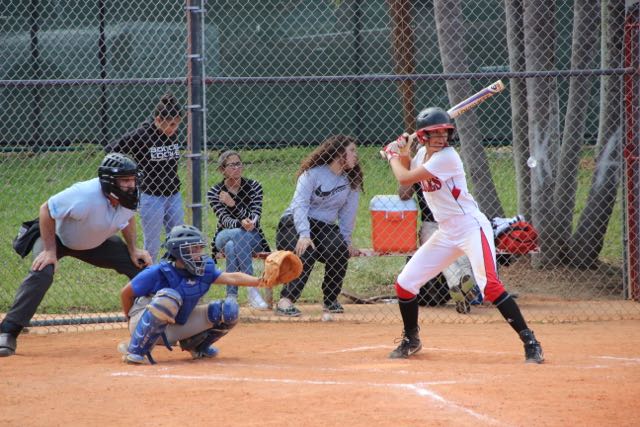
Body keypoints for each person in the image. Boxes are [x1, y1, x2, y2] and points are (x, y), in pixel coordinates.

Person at [381, 107, 544, 363]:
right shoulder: (422, 153)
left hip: (470, 227)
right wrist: (403, 152)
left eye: (444, 132)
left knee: (490, 286)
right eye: (434, 133)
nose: (441, 138)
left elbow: (404, 176)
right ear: (423, 136)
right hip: (446, 231)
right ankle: (412, 339)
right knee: (405, 283)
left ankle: (530, 341)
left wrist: (391, 155)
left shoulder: (448, 158)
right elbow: (406, 185)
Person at [0, 153, 152, 357]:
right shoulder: (84, 195)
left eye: (133, 179)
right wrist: (49, 251)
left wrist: (134, 249)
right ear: (109, 181)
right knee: (42, 270)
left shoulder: (129, 197)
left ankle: (159, 325)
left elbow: (127, 219)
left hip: (95, 242)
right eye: (125, 180)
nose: (131, 185)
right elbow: (46, 210)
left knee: (141, 267)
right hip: (58, 239)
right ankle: (8, 331)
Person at [119, 224, 263, 364]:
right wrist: (132, 321)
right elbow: (126, 293)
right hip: (143, 322)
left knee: (229, 309)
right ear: (179, 251)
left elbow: (232, 277)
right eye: (194, 249)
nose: (199, 254)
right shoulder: (157, 272)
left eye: (200, 248)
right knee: (169, 297)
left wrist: (262, 281)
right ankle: (135, 349)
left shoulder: (202, 270)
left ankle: (197, 346)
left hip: (177, 325)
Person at [275, 135, 363, 317]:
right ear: (339, 153)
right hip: (294, 223)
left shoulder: (351, 180)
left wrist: (346, 242)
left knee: (339, 248)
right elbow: (300, 205)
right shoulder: (312, 174)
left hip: (324, 226)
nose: (356, 155)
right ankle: (286, 300)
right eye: (352, 150)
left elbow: (348, 216)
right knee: (306, 251)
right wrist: (304, 234)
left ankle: (331, 300)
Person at [107, 93, 185, 263]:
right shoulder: (143, 134)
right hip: (151, 196)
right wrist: (130, 171)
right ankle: (150, 276)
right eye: (171, 124)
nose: (175, 128)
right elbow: (112, 148)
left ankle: (173, 272)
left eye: (177, 124)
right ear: (158, 120)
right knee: (153, 243)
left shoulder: (172, 135)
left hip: (173, 194)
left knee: (179, 239)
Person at [399, 161, 478, 314]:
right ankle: (463, 284)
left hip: (455, 220)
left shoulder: (447, 161)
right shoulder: (416, 166)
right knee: (442, 253)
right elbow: (404, 195)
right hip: (431, 224)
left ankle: (458, 285)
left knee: (461, 253)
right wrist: (409, 166)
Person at [206, 150, 270, 310]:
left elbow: (254, 218)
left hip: (253, 237)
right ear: (222, 170)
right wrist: (242, 221)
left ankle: (231, 296)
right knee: (236, 234)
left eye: (238, 164)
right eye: (231, 165)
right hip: (223, 235)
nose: (236, 168)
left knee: (232, 246)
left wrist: (233, 204)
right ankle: (251, 288)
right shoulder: (215, 192)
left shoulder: (255, 187)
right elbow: (225, 221)